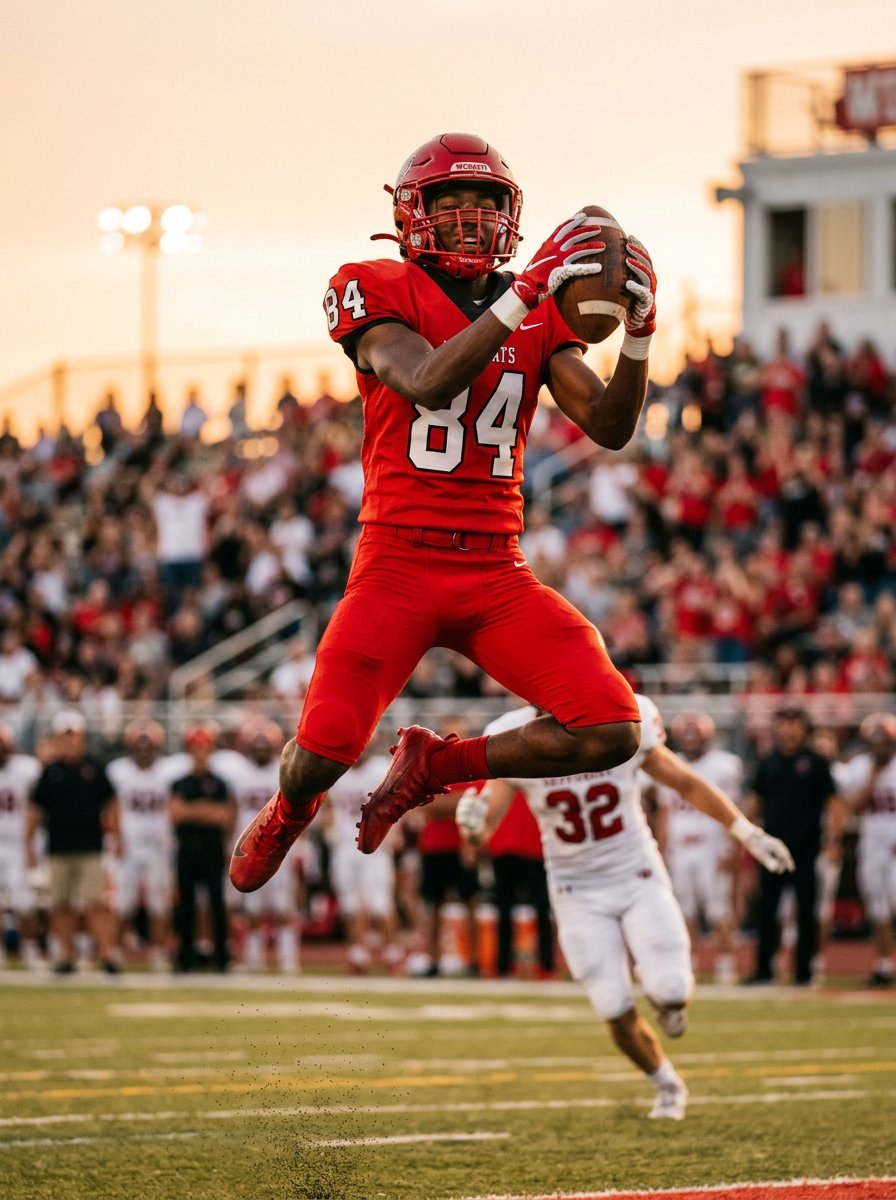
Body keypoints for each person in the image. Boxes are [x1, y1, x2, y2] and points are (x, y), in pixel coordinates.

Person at [230, 132, 658, 894]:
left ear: (511, 215)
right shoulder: (373, 284)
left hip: (496, 567)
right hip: (396, 562)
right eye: (450, 201)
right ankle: (289, 811)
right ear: (410, 212)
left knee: (610, 727)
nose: (469, 217)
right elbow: (426, 379)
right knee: (323, 748)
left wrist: (638, 338)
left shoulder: (536, 308)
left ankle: (437, 765)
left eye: (485, 203)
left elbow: (611, 427)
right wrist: (525, 295)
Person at [456, 693, 793, 1120]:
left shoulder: (619, 715)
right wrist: (471, 829)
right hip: (575, 886)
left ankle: (664, 999)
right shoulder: (510, 735)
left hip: (636, 874)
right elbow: (486, 825)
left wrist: (746, 833)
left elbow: (685, 782)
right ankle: (667, 1084)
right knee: (613, 1007)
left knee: (671, 991)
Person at [746, 706, 841, 985]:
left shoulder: (816, 762)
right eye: (783, 723)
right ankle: (764, 968)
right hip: (773, 848)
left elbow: (834, 803)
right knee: (766, 909)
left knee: (806, 909)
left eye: (794, 723)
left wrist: (833, 839)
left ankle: (804, 970)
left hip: (806, 847)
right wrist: (742, 832)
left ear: (804, 727)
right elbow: (755, 800)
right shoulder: (768, 761)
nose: (788, 729)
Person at [26, 710, 119, 974]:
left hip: (90, 846)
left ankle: (106, 955)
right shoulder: (50, 772)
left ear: (82, 738)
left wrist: (118, 836)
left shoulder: (94, 767)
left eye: (73, 736)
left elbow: (112, 803)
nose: (69, 742)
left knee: (96, 905)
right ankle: (66, 956)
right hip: (58, 847)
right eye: (65, 737)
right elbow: (35, 810)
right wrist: (28, 843)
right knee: (60, 905)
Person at [655, 713, 745, 984]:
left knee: (719, 910)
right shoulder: (669, 764)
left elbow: (732, 810)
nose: (691, 743)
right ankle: (688, 962)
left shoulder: (724, 766)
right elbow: (665, 812)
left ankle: (725, 963)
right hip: (680, 848)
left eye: (697, 738)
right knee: (685, 910)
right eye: (687, 738)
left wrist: (730, 849)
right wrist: (661, 850)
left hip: (711, 846)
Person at [214, 724, 300, 974]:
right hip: (249, 847)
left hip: (281, 846)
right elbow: (233, 810)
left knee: (284, 907)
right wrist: (228, 843)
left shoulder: (284, 770)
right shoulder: (238, 773)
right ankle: (254, 961)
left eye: (265, 746)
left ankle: (288, 962)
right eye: (257, 746)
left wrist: (300, 843)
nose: (261, 751)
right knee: (252, 909)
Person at [106, 719, 187, 971]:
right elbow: (113, 807)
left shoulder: (169, 770)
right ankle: (115, 953)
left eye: (148, 745)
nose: (143, 750)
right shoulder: (119, 771)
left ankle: (158, 953)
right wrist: (117, 839)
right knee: (122, 902)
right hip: (129, 845)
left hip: (159, 846)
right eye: (139, 745)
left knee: (158, 903)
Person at [322, 743, 402, 974]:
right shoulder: (338, 772)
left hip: (374, 843)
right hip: (345, 845)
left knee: (381, 904)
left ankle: (394, 955)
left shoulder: (380, 769)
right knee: (350, 904)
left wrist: (392, 832)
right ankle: (358, 957)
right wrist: (331, 834)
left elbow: (397, 802)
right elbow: (329, 807)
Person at [169, 723, 235, 973]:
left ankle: (221, 957)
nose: (199, 753)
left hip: (211, 849)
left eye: (203, 747)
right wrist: (205, 811)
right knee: (185, 906)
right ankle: (185, 956)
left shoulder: (219, 783)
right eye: (195, 748)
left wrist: (192, 811)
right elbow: (175, 814)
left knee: (217, 904)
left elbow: (223, 816)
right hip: (186, 849)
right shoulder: (180, 783)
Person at [837, 712, 896, 986]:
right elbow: (853, 808)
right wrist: (872, 778)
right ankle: (882, 965)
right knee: (878, 909)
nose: (879, 747)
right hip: (872, 846)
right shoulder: (861, 768)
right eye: (875, 742)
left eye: (884, 741)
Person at [0, 722, 42, 967]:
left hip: (18, 843)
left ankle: (29, 948)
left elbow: (38, 805)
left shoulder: (27, 769)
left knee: (24, 900)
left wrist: (30, 843)